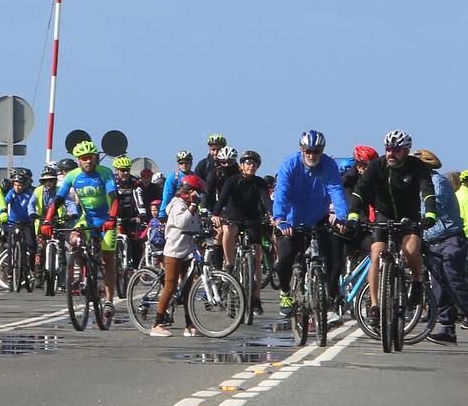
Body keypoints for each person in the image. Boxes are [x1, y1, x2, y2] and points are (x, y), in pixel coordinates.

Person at [344, 130, 435, 325]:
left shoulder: (417, 166)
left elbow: (427, 190)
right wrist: (353, 214)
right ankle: (375, 306)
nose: (391, 154)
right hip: (383, 216)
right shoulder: (377, 165)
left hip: (409, 217)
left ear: (406, 151)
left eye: (397, 150)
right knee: (376, 255)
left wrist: (430, 213)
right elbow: (360, 191)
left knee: (410, 251)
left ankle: (417, 283)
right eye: (388, 149)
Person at [271, 130, 349, 321]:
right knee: (286, 257)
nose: (312, 155)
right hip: (290, 220)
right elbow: (281, 193)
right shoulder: (290, 165)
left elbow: (336, 190)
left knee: (333, 257)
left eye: (316, 151)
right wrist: (280, 218)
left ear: (322, 151)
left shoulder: (329, 165)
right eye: (308, 151)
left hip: (318, 217)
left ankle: (328, 299)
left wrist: (342, 217)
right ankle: (285, 293)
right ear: (301, 149)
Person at [414, 150, 468, 342]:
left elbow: (432, 206)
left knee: (452, 277)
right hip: (432, 242)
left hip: (450, 239)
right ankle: (447, 329)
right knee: (437, 285)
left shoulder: (439, 182)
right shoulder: (417, 185)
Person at [45, 140, 119, 313]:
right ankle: (80, 263)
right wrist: (47, 221)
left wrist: (112, 218)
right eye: (84, 158)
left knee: (108, 260)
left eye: (91, 158)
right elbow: (58, 200)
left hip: (106, 218)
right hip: (87, 218)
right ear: (78, 160)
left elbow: (114, 198)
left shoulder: (105, 172)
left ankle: (108, 301)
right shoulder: (73, 176)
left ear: (95, 158)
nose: (88, 161)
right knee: (73, 238)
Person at [150, 175, 206, 337]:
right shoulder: (178, 204)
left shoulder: (191, 206)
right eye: (197, 193)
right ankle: (157, 324)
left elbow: (194, 224)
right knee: (170, 285)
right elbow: (182, 222)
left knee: (188, 288)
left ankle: (189, 325)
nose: (199, 197)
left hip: (187, 251)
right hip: (174, 250)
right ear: (190, 191)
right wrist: (193, 207)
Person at [218, 149, 270, 313]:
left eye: (255, 163)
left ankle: (256, 298)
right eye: (248, 162)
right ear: (241, 165)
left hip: (252, 219)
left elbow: (266, 200)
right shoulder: (232, 180)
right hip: (233, 216)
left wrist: (274, 215)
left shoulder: (259, 182)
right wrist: (215, 214)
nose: (251, 166)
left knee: (257, 255)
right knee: (229, 231)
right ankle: (229, 263)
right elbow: (223, 199)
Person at [111, 156, 151, 273]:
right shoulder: (112, 182)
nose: (125, 173)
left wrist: (142, 214)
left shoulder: (135, 182)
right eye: (122, 170)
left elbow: (139, 199)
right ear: (117, 170)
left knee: (136, 243)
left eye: (127, 170)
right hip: (115, 215)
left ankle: (135, 268)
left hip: (131, 215)